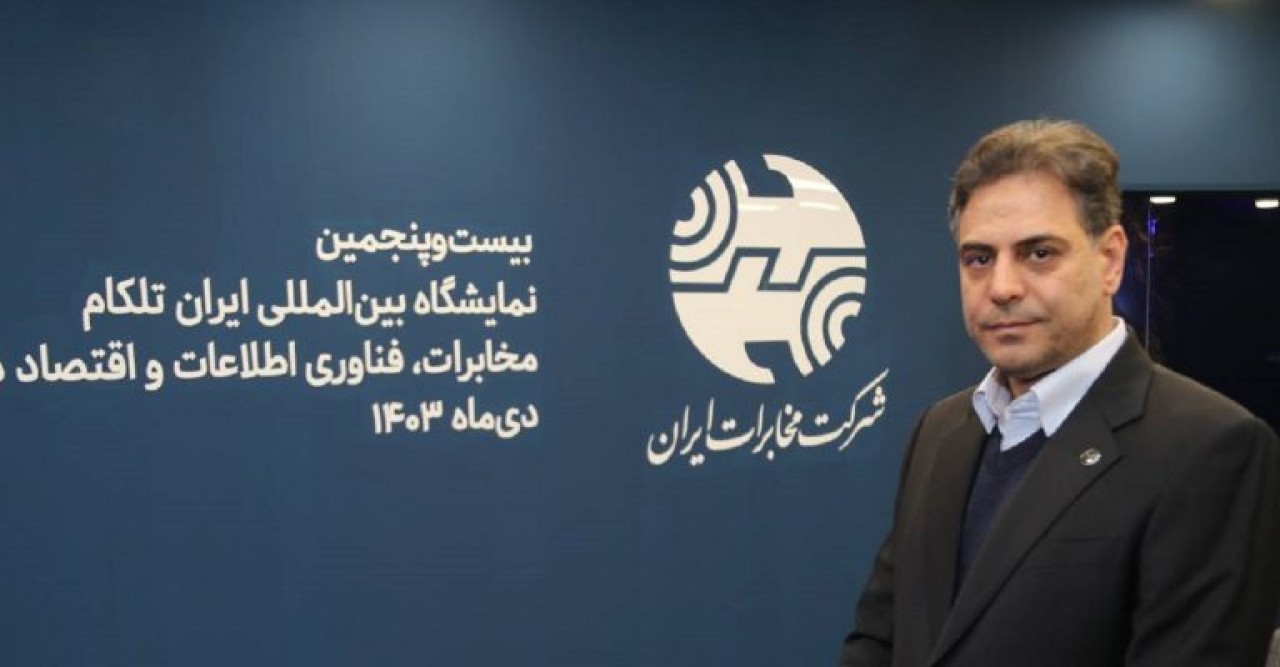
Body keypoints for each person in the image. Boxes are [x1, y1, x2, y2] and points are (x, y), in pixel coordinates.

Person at [838, 119, 1280, 666]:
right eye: (979, 259)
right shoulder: (940, 431)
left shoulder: (1212, 448)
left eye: (1039, 253)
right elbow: (879, 638)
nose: (1002, 287)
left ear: (1110, 259)